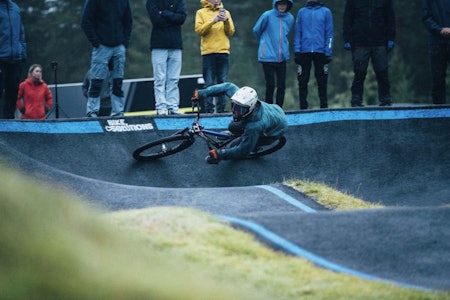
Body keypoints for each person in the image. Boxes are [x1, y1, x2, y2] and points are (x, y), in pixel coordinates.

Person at [191, 82, 288, 164]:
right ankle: (242, 135)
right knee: (232, 127)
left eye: (240, 109)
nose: (235, 111)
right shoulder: (241, 99)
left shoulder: (255, 125)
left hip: (275, 131)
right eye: (234, 106)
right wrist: (201, 93)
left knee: (234, 146)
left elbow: (243, 150)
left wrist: (220, 154)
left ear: (250, 107)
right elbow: (227, 87)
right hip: (273, 111)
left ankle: (254, 146)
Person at [80, 0, 132, 118]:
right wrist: (96, 42)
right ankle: (92, 112)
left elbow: (128, 21)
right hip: (101, 47)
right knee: (96, 80)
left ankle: (118, 112)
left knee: (117, 82)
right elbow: (85, 21)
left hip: (119, 46)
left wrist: (125, 42)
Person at [343, 0, 396, 107]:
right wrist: (347, 39)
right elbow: (347, 19)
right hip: (360, 42)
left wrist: (390, 38)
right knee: (359, 72)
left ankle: (385, 98)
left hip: (380, 41)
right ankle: (356, 99)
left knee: (382, 72)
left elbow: (390, 18)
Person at [146, 0, 187, 115]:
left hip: (176, 45)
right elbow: (156, 21)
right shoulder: (152, 2)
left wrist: (165, 13)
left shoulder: (178, 1)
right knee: (160, 78)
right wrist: (173, 17)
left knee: (173, 79)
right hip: (158, 45)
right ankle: (161, 108)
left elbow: (182, 18)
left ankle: (173, 107)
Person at [195, 0, 235, 113]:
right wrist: (213, 21)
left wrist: (226, 21)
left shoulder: (226, 12)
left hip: (223, 52)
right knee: (209, 82)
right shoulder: (200, 13)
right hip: (208, 52)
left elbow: (231, 32)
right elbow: (199, 31)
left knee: (222, 82)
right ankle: (209, 110)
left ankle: (221, 110)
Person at [253, 0, 294, 108]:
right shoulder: (267, 15)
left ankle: (279, 109)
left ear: (288, 5)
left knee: (282, 86)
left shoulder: (290, 18)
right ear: (276, 4)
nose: (282, 6)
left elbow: (286, 34)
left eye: (284, 4)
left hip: (282, 57)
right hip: (268, 56)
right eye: (280, 4)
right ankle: (269, 108)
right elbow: (256, 30)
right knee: (270, 84)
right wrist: (264, 42)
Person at [294, 0, 333, 109]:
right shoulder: (301, 12)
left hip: (320, 51)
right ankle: (303, 107)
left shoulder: (326, 12)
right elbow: (298, 33)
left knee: (322, 80)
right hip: (304, 51)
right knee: (302, 80)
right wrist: (297, 51)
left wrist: (328, 51)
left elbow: (329, 33)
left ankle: (324, 106)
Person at [0, 0, 26, 119]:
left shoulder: (15, 8)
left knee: (13, 93)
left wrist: (22, 52)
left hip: (16, 58)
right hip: (1, 58)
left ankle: (9, 125)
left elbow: (21, 32)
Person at [422, 0, 450, 105]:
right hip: (436, 42)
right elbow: (426, 18)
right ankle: (438, 110)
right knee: (437, 77)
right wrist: (439, 30)